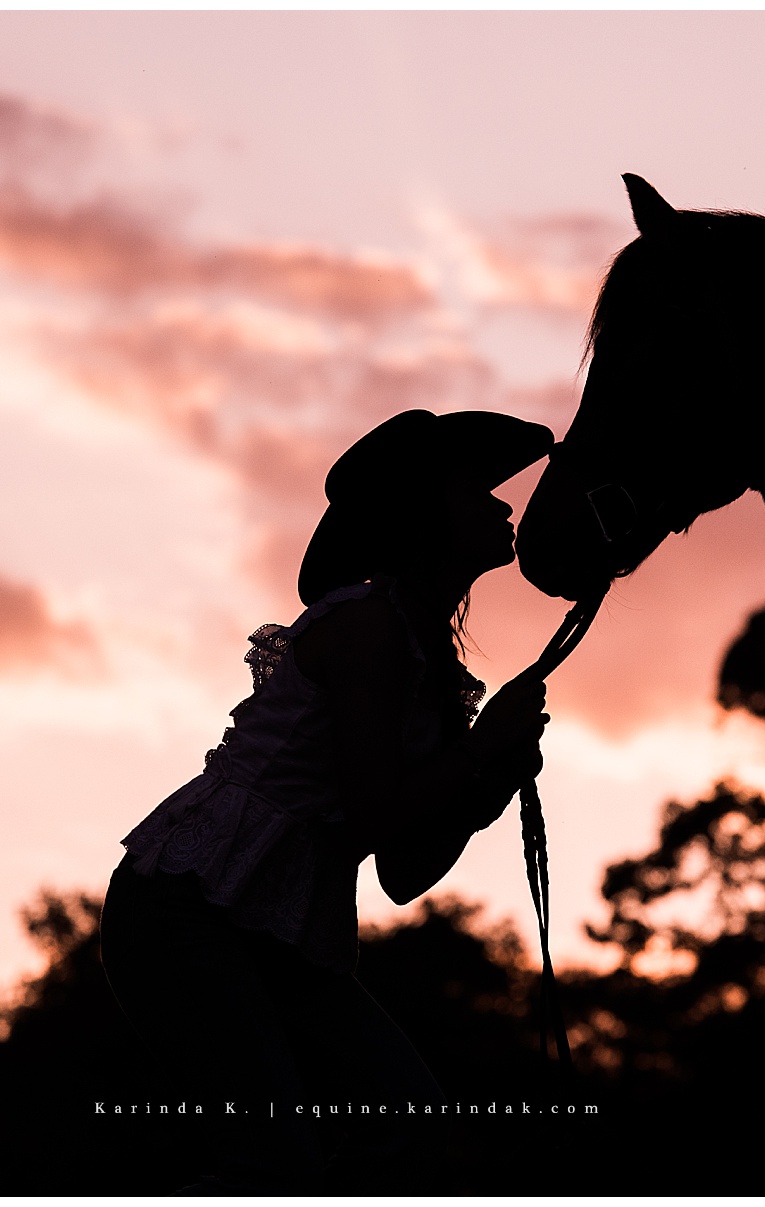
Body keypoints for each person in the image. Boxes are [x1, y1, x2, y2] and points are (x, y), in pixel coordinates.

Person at [100, 409, 556, 1193]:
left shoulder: (425, 663)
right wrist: (480, 752)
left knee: (403, 1127)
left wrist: (491, 780)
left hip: (272, 923)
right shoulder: (371, 628)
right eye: (476, 489)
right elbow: (381, 816)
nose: (504, 505)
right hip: (191, 908)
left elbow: (405, 869)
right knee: (275, 1153)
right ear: (422, 513)